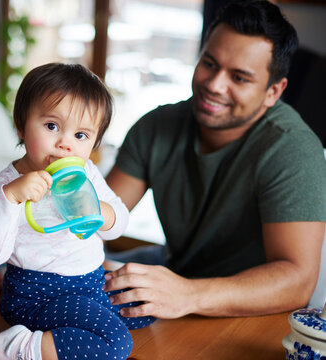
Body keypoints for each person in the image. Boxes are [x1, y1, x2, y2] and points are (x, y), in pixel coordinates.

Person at [102, 0, 326, 320]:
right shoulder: (156, 126)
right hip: (176, 273)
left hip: (250, 310)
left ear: (273, 91)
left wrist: (188, 294)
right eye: (209, 63)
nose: (214, 84)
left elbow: (297, 280)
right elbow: (96, 222)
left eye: (239, 77)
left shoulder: (292, 148)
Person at [0, 63, 154, 360]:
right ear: (21, 125)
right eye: (52, 126)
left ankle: (62, 337)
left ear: (95, 142)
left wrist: (102, 213)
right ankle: (8, 346)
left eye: (81, 135)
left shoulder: (87, 173)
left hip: (89, 282)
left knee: (145, 303)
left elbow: (118, 222)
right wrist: (11, 198)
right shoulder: (7, 185)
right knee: (117, 344)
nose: (65, 143)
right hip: (39, 294)